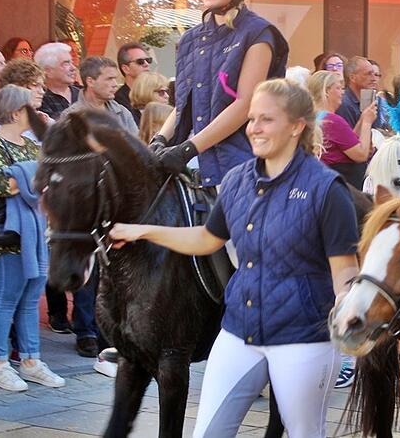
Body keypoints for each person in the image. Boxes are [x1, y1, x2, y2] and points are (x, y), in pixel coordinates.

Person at [109, 79, 359, 437]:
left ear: (296, 126)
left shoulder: (326, 189)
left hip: (303, 336)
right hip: (239, 331)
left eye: (266, 120)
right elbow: (208, 238)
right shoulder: (238, 179)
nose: (254, 128)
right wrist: (143, 231)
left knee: (305, 433)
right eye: (252, 118)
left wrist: (351, 307)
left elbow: (344, 270)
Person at [153, 0, 288, 188]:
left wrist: (189, 149)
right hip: (193, 159)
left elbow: (245, 103)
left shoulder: (258, 33)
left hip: (241, 162)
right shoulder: (190, 39)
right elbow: (183, 106)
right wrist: (159, 139)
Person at [0, 85, 65, 392]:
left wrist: (25, 175)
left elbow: (46, 180)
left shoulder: (30, 147)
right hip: (6, 235)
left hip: (36, 233)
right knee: (4, 298)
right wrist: (34, 176)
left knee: (30, 299)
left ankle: (30, 360)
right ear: (16, 112)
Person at [307, 70, 375, 189]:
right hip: (343, 184)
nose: (342, 93)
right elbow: (361, 155)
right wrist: (367, 123)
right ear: (327, 91)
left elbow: (347, 143)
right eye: (338, 88)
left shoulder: (312, 117)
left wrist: (361, 120)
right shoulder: (333, 121)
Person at [69, 56, 139, 135]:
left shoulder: (123, 113)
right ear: (90, 81)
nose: (115, 84)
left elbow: (137, 145)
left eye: (115, 79)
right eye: (109, 79)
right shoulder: (70, 118)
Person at [335, 55, 385, 131]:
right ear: (352, 78)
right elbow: (349, 140)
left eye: (376, 75)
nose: (374, 78)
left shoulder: (375, 100)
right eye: (368, 74)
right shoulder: (344, 104)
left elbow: (377, 132)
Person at [35, 42, 79, 120]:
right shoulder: (40, 99)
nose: (73, 68)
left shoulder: (83, 93)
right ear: (48, 71)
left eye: (72, 62)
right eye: (66, 64)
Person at [115, 42, 153, 124]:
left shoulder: (156, 94)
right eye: (140, 61)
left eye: (148, 60)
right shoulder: (119, 101)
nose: (146, 64)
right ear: (126, 69)